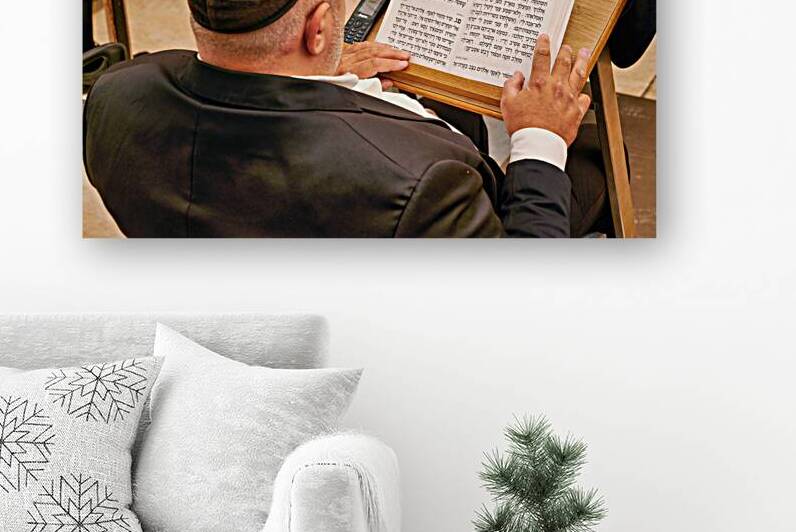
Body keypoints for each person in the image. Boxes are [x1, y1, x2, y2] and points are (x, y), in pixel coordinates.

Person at [84, 0, 608, 238]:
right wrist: (538, 139)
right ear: (316, 31)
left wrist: (314, 70)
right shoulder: (428, 182)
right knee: (592, 162)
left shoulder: (112, 96)